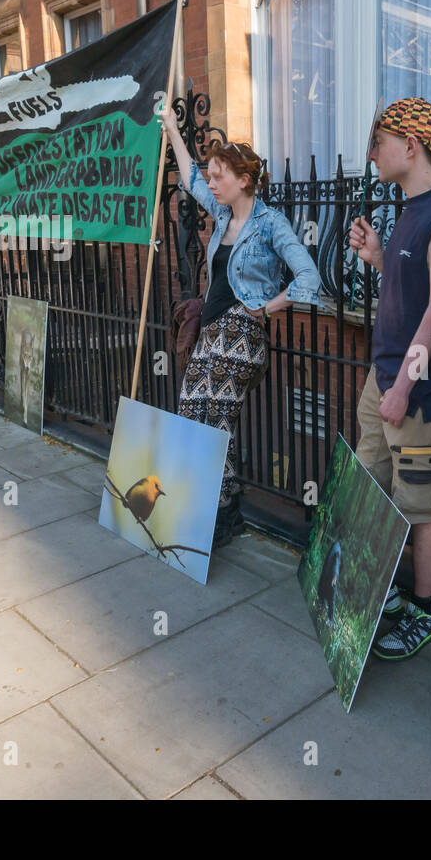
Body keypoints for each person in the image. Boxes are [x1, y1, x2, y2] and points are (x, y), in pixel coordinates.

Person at [347, 98, 431, 661]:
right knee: (370, 486)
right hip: (386, 377)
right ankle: (385, 595)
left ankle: (424, 611)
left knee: (422, 509)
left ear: (410, 146)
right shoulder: (408, 208)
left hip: (419, 389)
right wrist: (376, 256)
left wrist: (402, 389)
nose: (372, 155)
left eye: (378, 143)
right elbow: (411, 290)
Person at [161, 106, 322, 547]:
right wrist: (174, 130)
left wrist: (267, 309)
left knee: (200, 415)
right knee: (212, 419)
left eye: (219, 176)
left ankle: (210, 514)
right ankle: (227, 513)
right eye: (211, 176)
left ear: (244, 180)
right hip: (213, 333)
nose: (211, 183)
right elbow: (190, 179)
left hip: (242, 336)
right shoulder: (224, 214)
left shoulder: (271, 225)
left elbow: (309, 279)